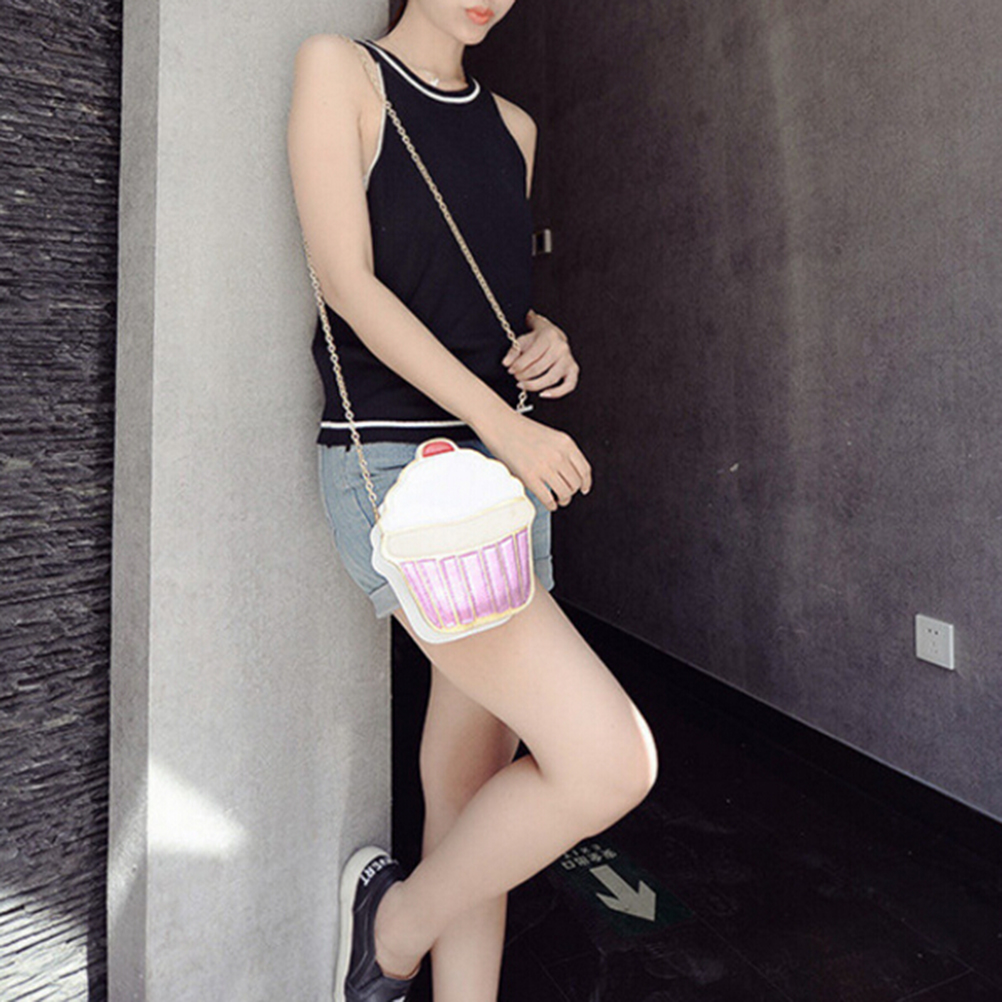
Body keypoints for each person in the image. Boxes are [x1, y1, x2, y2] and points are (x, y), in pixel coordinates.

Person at [287, 2, 659, 999]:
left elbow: (473, 296)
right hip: (405, 466)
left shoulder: (514, 129)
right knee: (611, 763)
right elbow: (348, 282)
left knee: (473, 787)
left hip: (499, 472)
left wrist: (545, 337)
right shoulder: (342, 72)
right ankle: (394, 930)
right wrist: (508, 425)